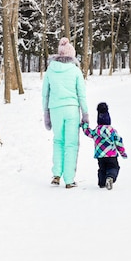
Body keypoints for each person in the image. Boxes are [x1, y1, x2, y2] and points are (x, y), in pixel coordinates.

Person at [42, 37, 89, 189]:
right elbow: (81, 94)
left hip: (55, 109)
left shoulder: (50, 70)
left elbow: (45, 94)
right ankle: (69, 180)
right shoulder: (75, 71)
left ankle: (56, 174)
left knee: (58, 141)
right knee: (71, 144)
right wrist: (85, 114)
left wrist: (46, 114)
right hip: (71, 109)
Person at [81, 102, 127, 190]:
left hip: (100, 155)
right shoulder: (112, 131)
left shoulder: (96, 131)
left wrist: (84, 125)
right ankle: (110, 177)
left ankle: (101, 183)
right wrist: (122, 153)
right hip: (111, 155)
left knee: (102, 169)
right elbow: (119, 142)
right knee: (113, 167)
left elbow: (87, 132)